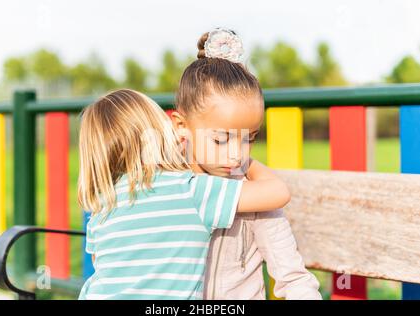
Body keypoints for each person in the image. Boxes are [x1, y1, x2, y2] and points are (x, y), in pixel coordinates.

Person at [77, 88, 291, 299]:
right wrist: (245, 162)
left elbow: (102, 265)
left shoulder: (102, 205)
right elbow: (278, 192)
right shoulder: (189, 190)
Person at [170, 28, 322, 300]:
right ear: (181, 126)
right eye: (220, 140)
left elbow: (293, 277)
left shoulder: (256, 198)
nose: (236, 156)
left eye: (249, 139)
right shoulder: (165, 188)